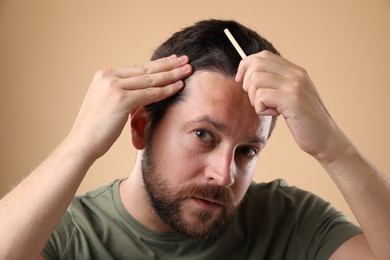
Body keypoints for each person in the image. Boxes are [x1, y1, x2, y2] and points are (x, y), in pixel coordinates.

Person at [0, 19, 388, 259]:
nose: (224, 176)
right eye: (204, 135)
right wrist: (79, 144)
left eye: (247, 151)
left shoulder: (291, 222)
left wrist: (336, 149)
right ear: (141, 127)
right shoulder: (64, 233)